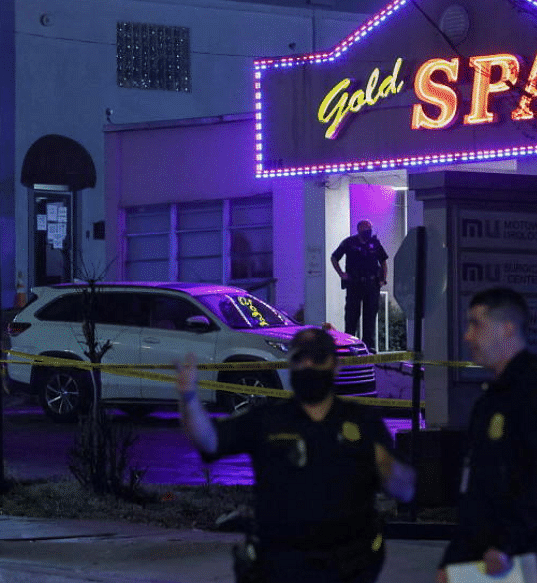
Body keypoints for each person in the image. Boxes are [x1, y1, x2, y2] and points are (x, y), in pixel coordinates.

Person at [177, 327, 416, 583]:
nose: (308, 366)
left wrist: (385, 465)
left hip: (348, 567)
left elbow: (405, 490)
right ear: (289, 366)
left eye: (317, 359)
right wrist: (188, 397)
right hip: (279, 565)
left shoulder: (362, 421)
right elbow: (210, 441)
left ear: (336, 366)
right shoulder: (267, 419)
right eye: (300, 359)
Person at [436, 287, 537, 583]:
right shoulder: (491, 399)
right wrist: (454, 559)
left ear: (506, 329)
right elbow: (477, 488)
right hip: (487, 557)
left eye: (476, 324)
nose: (468, 337)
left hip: (524, 557)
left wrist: (506, 544)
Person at [330, 220, 389, 351]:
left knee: (370, 317)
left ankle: (369, 346)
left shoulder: (375, 243)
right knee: (351, 316)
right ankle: (349, 345)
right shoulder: (349, 242)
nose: (369, 230)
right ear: (359, 229)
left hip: (371, 285)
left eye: (370, 228)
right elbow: (334, 257)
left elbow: (384, 262)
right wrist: (341, 274)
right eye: (366, 228)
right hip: (354, 284)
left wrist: (382, 279)